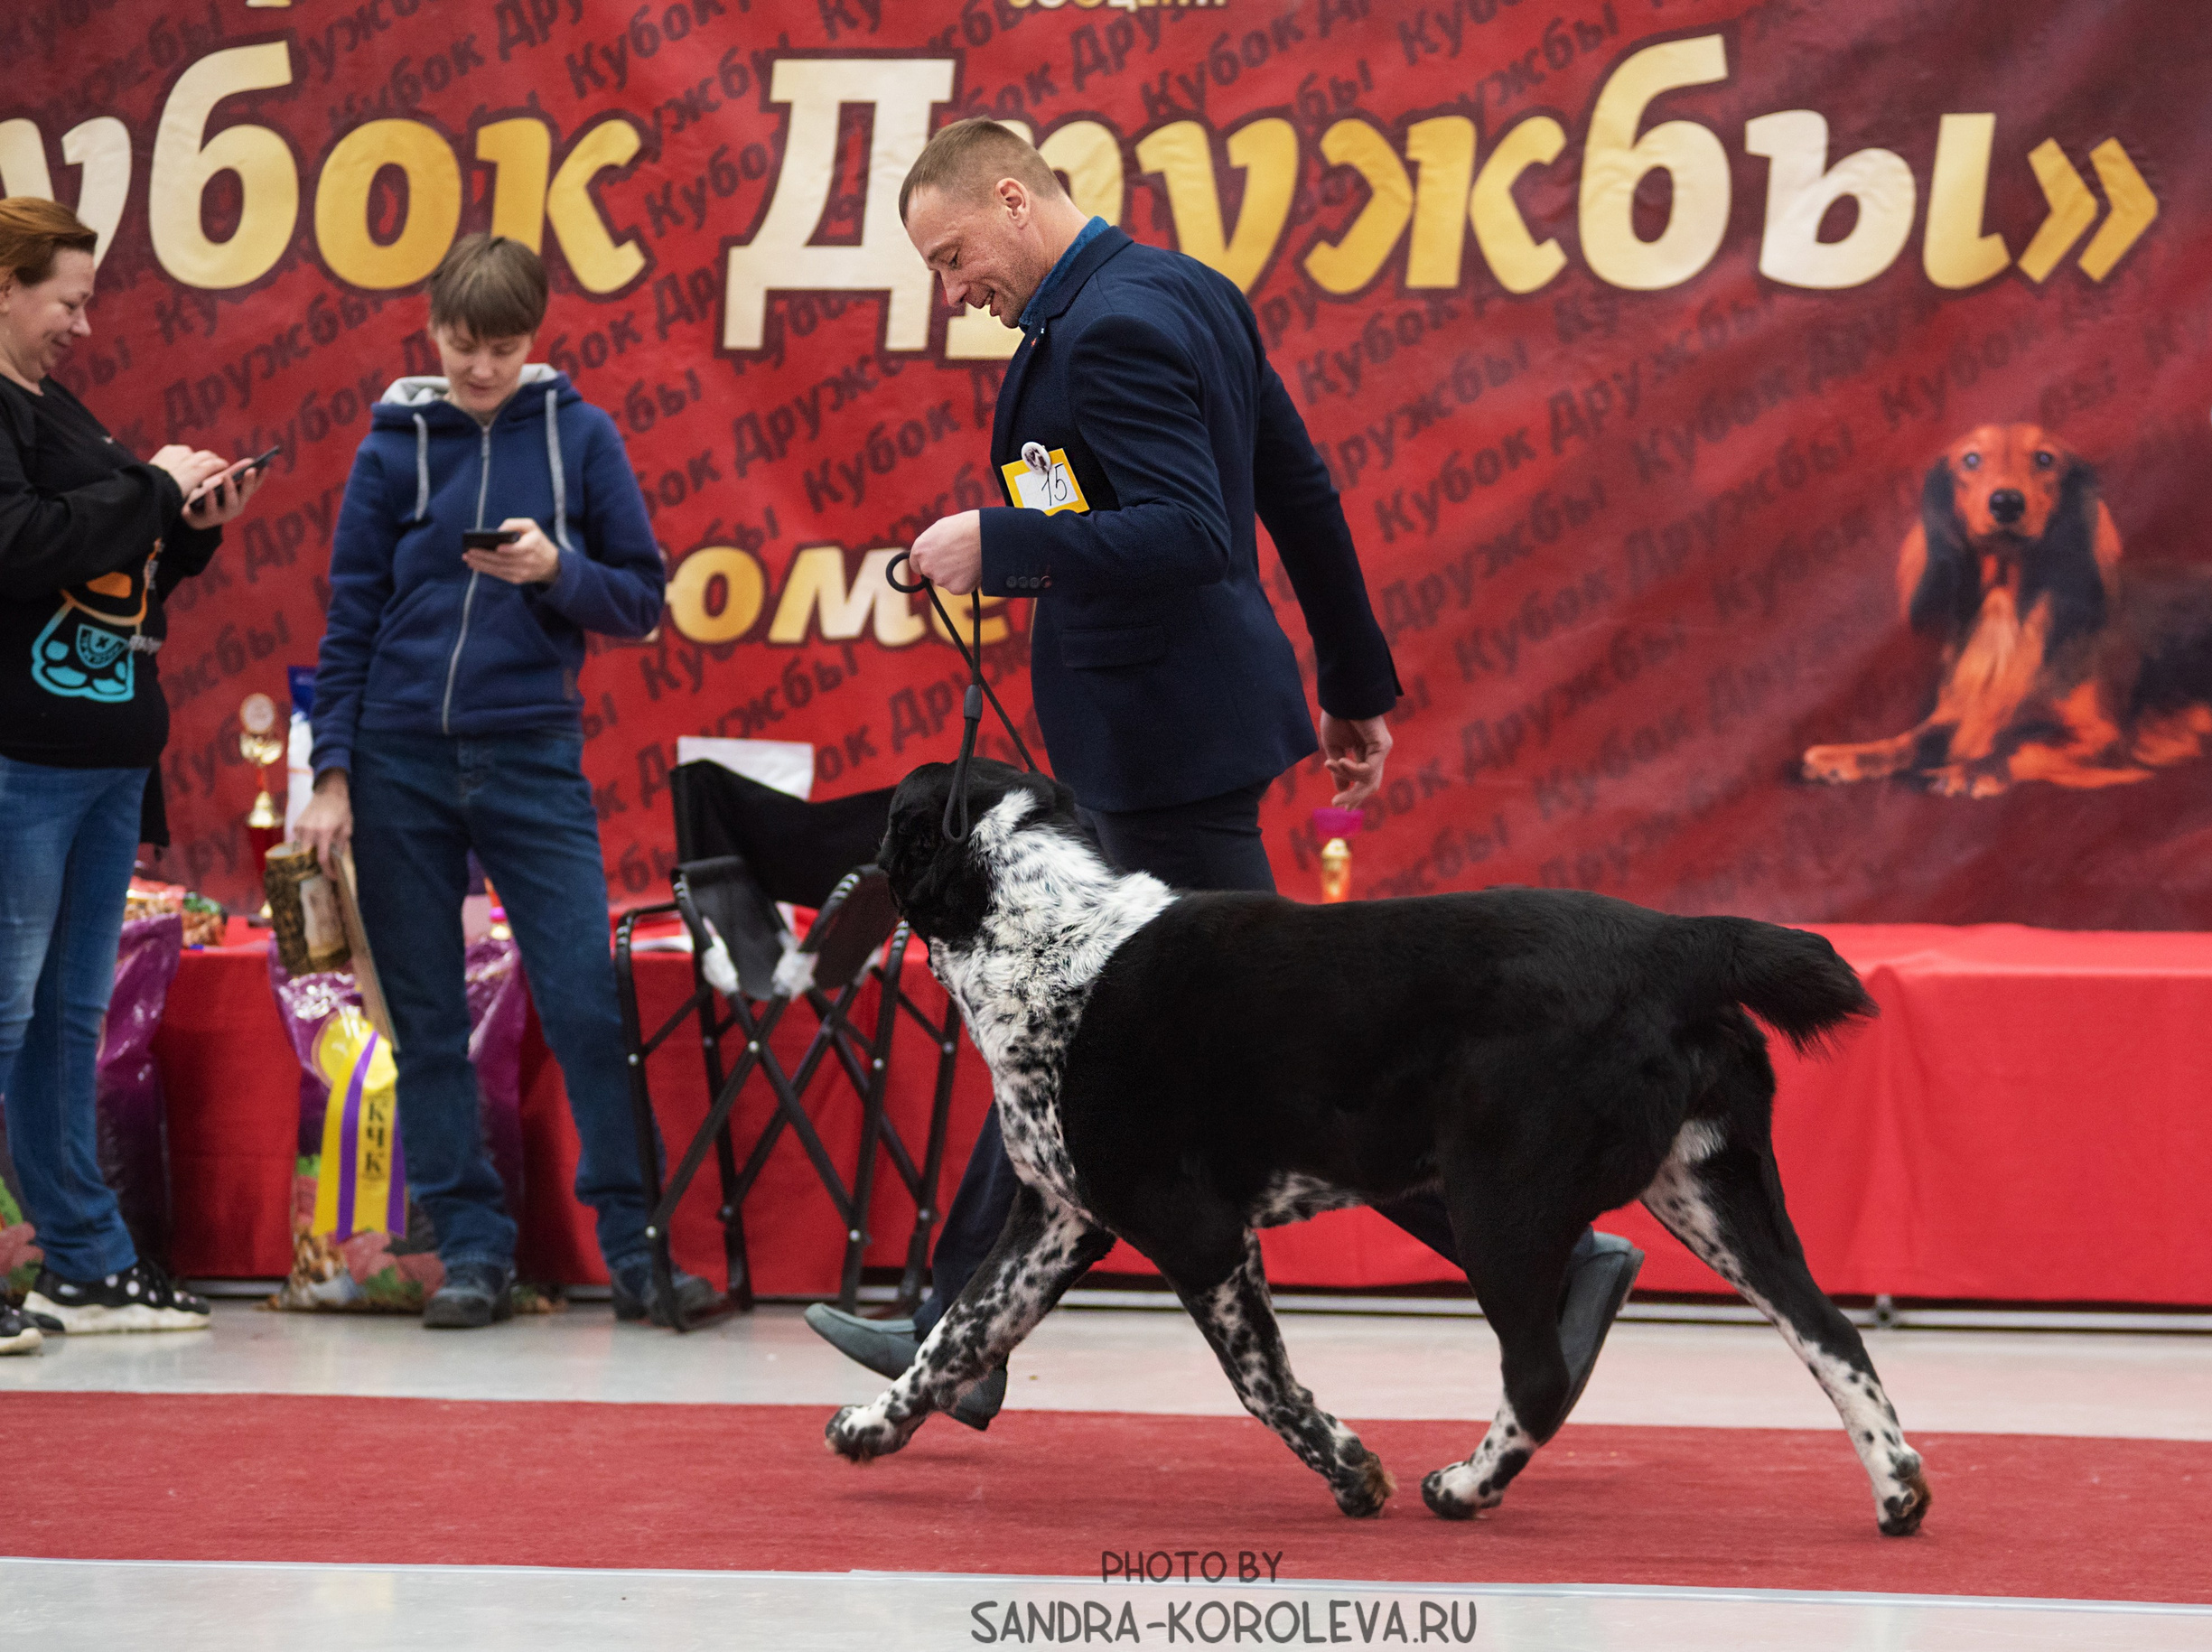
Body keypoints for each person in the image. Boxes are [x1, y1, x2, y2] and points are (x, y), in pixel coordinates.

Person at [804, 121, 1643, 1429]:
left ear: (1016, 199)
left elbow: (1195, 530)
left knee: (1266, 1056)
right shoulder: (1182, 286)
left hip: (1165, 748)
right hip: (1177, 733)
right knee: (1091, 1037)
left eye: (953, 254)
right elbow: (1296, 490)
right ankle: (957, 1329)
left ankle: (1554, 1252)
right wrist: (1355, 679)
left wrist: (999, 541)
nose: (949, 288)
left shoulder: (1109, 329)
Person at [293, 235, 715, 1330]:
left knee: (584, 1001)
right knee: (428, 1024)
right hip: (394, 760)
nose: (480, 367)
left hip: (531, 753)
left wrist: (555, 570)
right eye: (462, 344)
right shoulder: (390, 448)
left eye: (503, 347)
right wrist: (331, 772)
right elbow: (348, 621)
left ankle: (637, 1252)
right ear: (432, 328)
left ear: (537, 337)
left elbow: (640, 599)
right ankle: (472, 1252)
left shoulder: (580, 435)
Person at [0, 197, 264, 1343]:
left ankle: (87, 1261)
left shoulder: (52, 407)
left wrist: (186, 527)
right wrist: (151, 487)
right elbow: (18, 549)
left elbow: (104, 568)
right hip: (22, 764)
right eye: (68, 300)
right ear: (4, 288)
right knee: (6, 1013)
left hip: (103, 763)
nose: (84, 324)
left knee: (66, 1018)